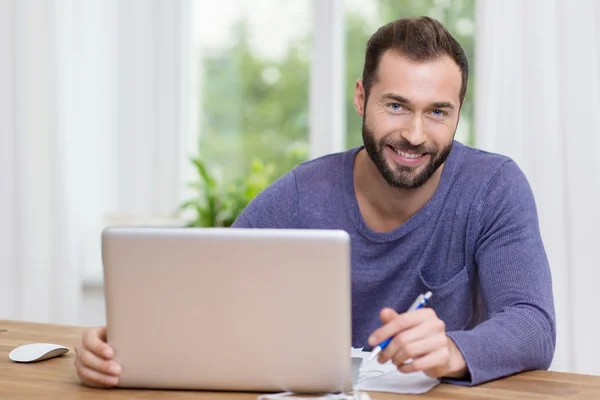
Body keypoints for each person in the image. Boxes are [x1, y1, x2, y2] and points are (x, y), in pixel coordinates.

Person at [74, 16, 556, 388]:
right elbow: (203, 296)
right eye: (396, 105)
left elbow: (532, 325)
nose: (414, 134)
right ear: (361, 98)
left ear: (457, 115)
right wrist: (116, 343)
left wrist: (453, 349)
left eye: (437, 112)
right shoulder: (304, 192)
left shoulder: (494, 187)